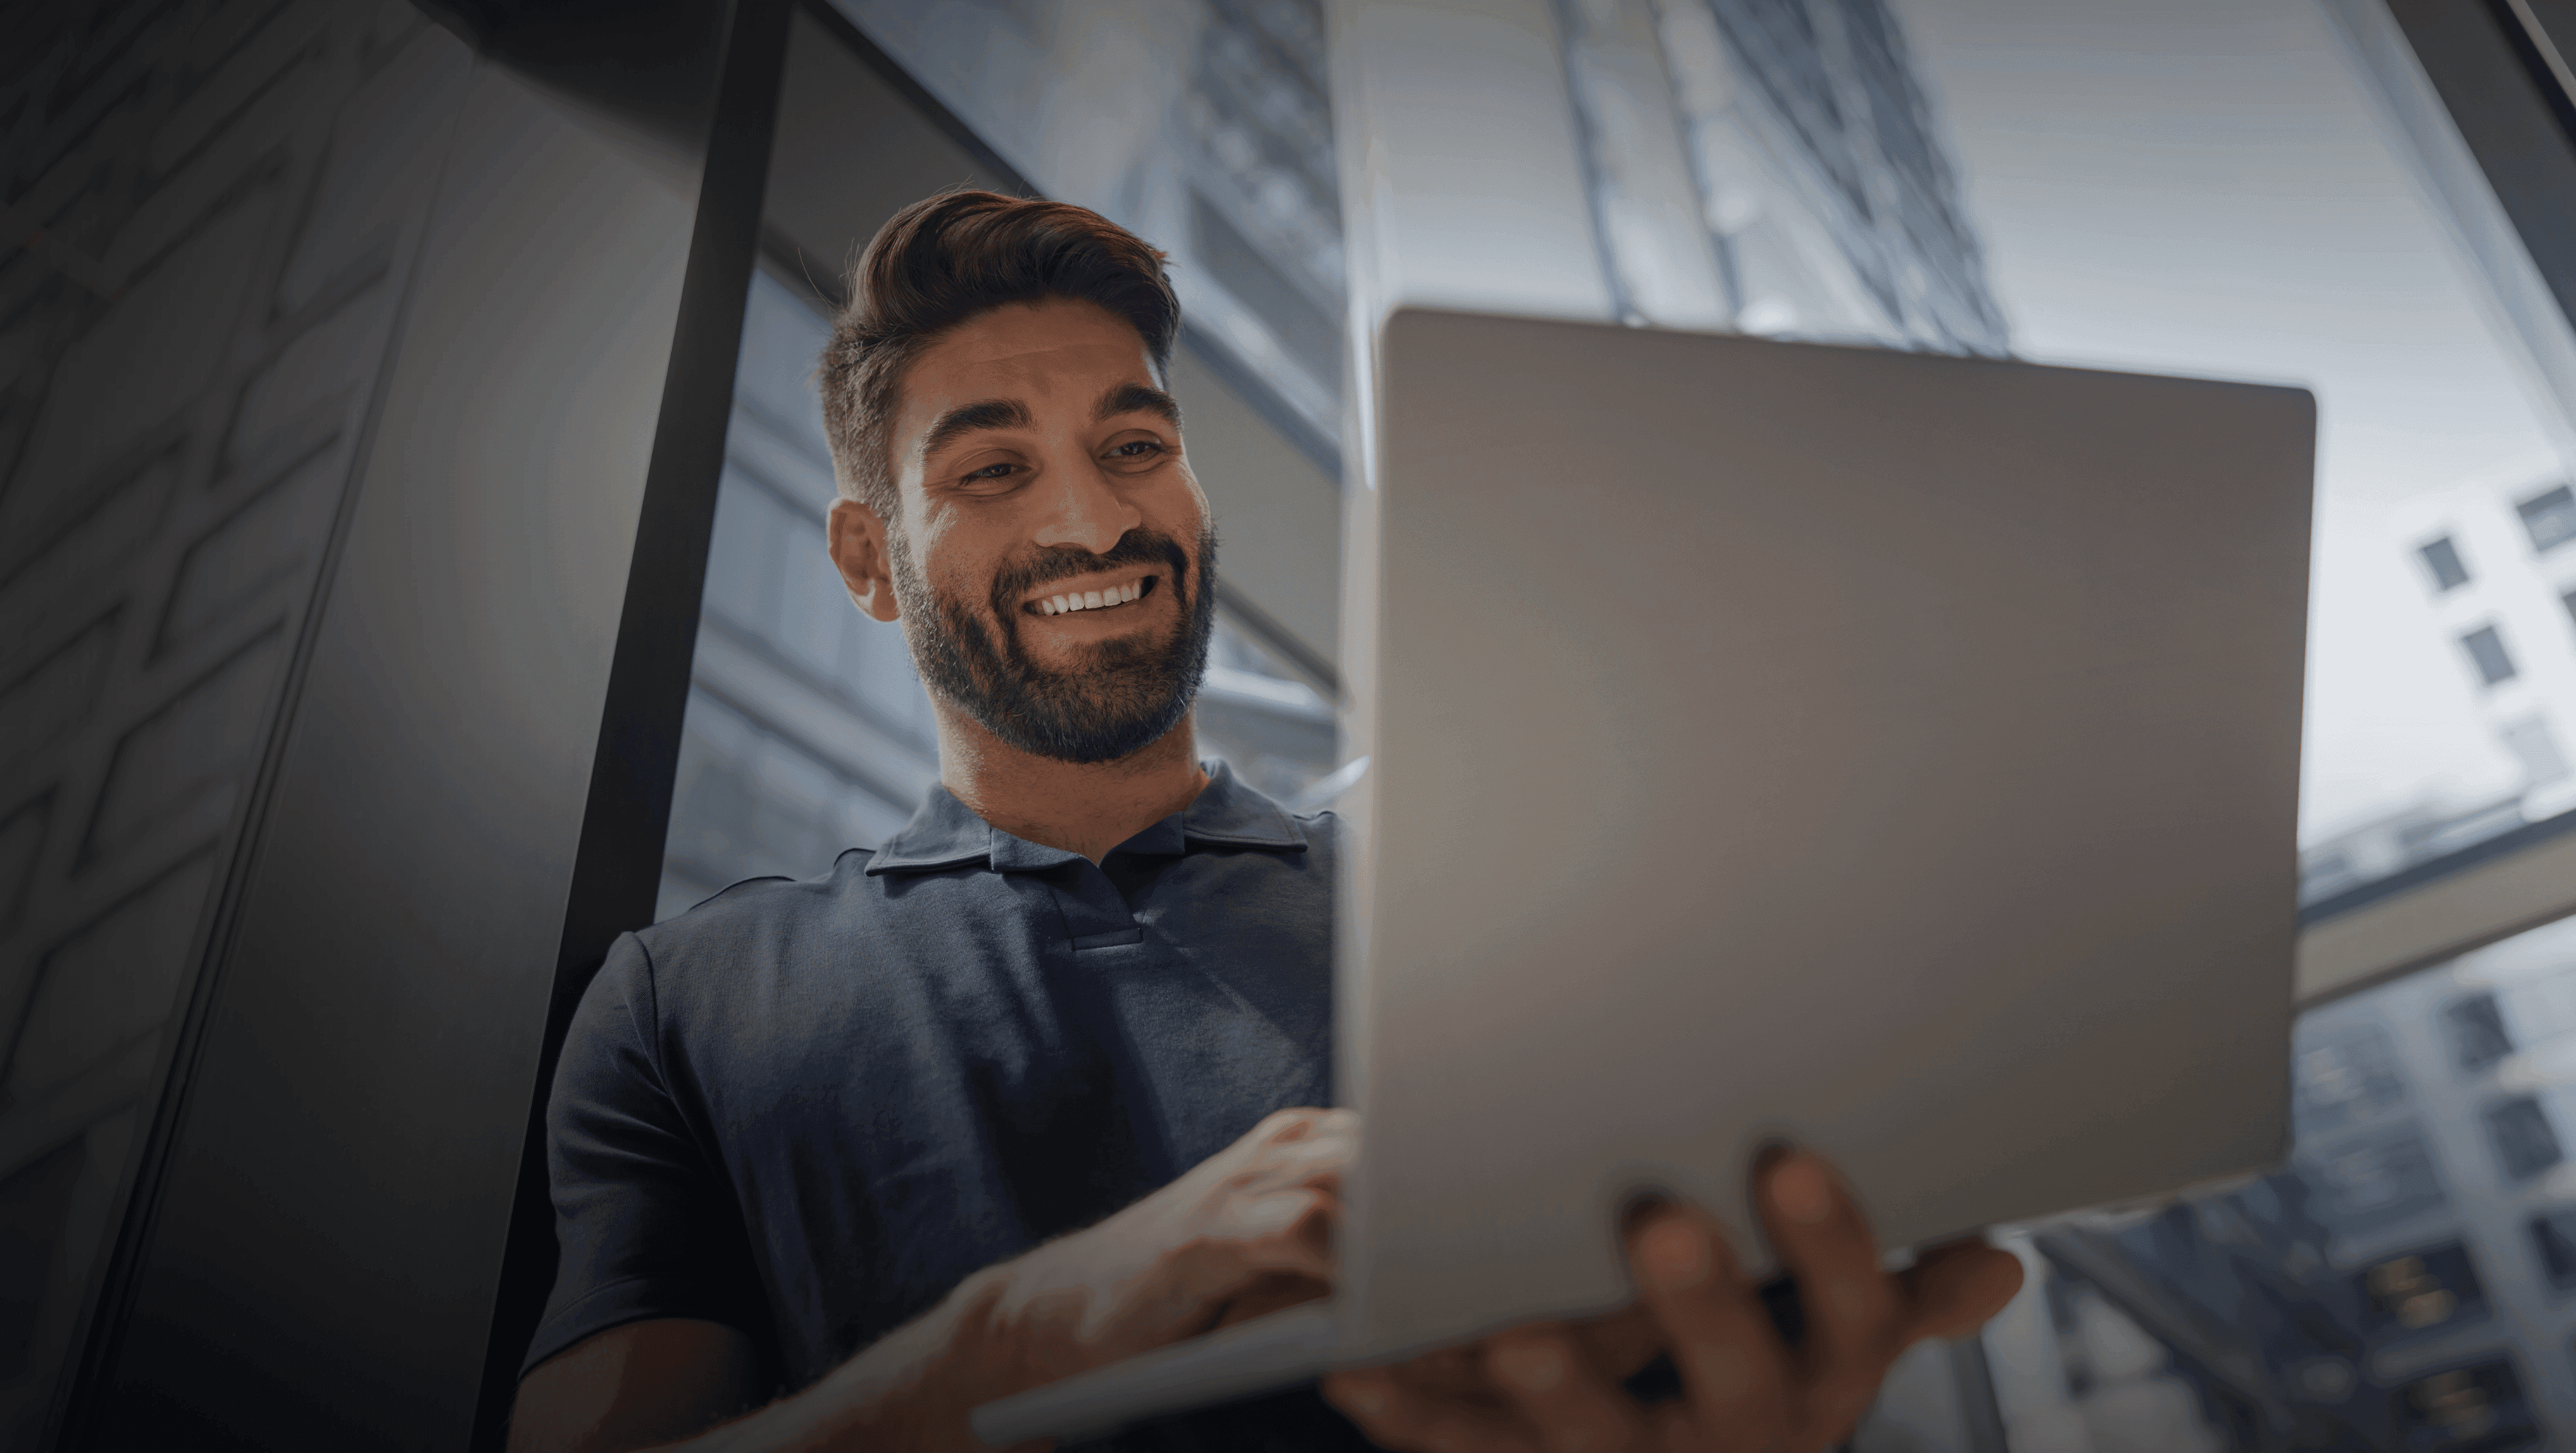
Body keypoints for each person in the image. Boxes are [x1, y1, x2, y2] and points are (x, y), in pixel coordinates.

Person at [505, 191, 2022, 1453]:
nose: (1094, 521)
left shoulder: (1489, 919)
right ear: (864, 557)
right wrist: (1031, 1331)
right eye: (991, 469)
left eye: (1136, 443)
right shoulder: (681, 1004)